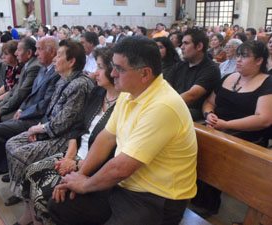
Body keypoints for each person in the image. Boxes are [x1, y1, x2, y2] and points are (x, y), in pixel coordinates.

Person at [48, 36, 197, 225]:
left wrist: (85, 184)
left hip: (157, 198)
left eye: (119, 69)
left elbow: (122, 167)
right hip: (124, 187)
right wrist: (81, 174)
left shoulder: (163, 106)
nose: (112, 74)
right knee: (60, 205)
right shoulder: (128, 94)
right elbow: (107, 137)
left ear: (144, 74)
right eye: (112, 66)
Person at [18, 47, 119, 225]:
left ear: (114, 71)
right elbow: (78, 125)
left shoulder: (123, 104)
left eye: (100, 67)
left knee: (46, 192)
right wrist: (70, 155)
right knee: (30, 171)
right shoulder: (98, 93)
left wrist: (77, 163)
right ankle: (32, 219)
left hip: (93, 164)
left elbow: (113, 150)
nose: (95, 73)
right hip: (75, 155)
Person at [5, 39, 94, 201]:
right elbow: (50, 111)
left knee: (20, 153)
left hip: (66, 138)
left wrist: (37, 130)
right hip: (51, 130)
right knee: (11, 143)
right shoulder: (63, 79)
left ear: (71, 61)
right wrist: (38, 128)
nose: (54, 59)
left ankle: (26, 199)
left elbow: (63, 123)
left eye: (59, 55)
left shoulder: (79, 84)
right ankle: (23, 193)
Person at [191, 40, 272, 218]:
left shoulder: (267, 82)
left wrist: (226, 125)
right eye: (238, 55)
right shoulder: (229, 77)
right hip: (217, 126)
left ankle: (206, 204)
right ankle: (189, 193)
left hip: (246, 135)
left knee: (215, 148)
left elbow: (263, 119)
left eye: (244, 56)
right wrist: (209, 114)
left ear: (259, 60)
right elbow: (209, 102)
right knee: (192, 138)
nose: (238, 60)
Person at [0, 37, 41, 187]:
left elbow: (21, 94)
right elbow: (15, 91)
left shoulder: (33, 67)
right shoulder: (29, 65)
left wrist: (2, 110)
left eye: (19, 50)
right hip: (23, 107)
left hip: (30, 112)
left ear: (28, 53)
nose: (17, 54)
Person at [165, 29, 221, 121]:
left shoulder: (211, 69)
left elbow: (192, 96)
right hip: (175, 106)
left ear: (199, 46)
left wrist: (164, 105)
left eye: (186, 43)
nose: (182, 47)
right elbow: (166, 88)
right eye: (182, 43)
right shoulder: (179, 65)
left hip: (194, 113)